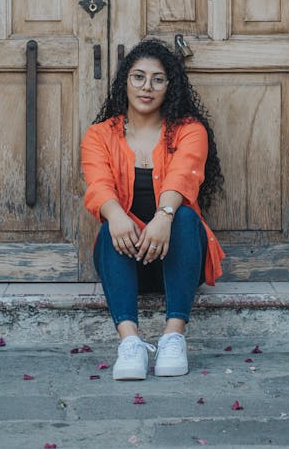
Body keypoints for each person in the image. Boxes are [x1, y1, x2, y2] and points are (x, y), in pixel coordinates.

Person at [81, 38, 225, 380]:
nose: (147, 87)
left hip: (178, 262)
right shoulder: (100, 135)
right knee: (110, 227)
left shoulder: (190, 131)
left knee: (186, 217)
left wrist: (164, 217)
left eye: (158, 79)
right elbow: (98, 185)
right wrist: (115, 215)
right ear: (125, 82)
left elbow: (182, 178)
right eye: (138, 77)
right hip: (126, 260)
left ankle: (173, 337)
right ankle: (130, 344)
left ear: (169, 86)